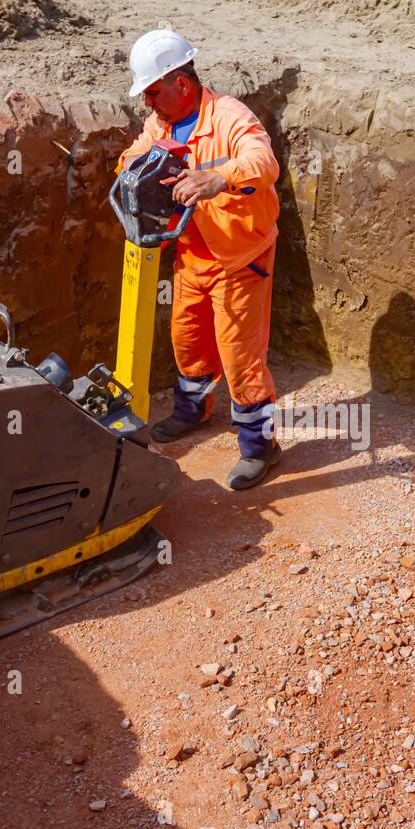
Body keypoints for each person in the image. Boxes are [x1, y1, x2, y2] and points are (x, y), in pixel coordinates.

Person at [117, 29, 282, 489]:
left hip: (240, 257)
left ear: (181, 85)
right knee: (188, 340)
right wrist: (133, 168)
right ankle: (194, 410)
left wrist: (218, 178)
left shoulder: (229, 117)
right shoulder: (161, 124)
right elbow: (135, 153)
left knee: (240, 356)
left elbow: (263, 163)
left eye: (152, 92)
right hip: (191, 253)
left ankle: (260, 448)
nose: (148, 102)